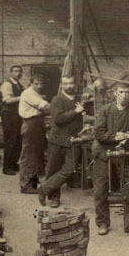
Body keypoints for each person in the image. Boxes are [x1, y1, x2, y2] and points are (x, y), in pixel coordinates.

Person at [91, 82, 129, 236]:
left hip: (124, 154)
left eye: (127, 92)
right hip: (103, 153)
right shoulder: (105, 110)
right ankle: (102, 223)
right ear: (115, 93)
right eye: (120, 92)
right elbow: (99, 133)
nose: (123, 95)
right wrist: (116, 137)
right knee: (100, 190)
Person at [38, 75, 85, 208]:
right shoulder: (57, 100)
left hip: (73, 140)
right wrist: (76, 111)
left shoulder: (78, 100)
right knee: (53, 169)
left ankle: (44, 188)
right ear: (61, 85)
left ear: (75, 84)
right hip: (57, 140)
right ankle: (54, 198)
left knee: (70, 169)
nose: (69, 86)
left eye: (71, 83)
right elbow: (58, 119)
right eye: (66, 84)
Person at [17, 74, 49, 193]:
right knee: (28, 155)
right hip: (30, 124)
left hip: (36, 124)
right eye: (36, 83)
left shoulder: (37, 93)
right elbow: (45, 107)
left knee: (36, 155)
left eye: (41, 83)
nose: (39, 86)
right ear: (31, 83)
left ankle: (33, 183)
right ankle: (25, 185)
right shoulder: (28, 93)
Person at [0, 64, 24, 175]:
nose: (18, 73)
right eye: (15, 71)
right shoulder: (7, 84)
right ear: (11, 72)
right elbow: (7, 100)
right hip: (9, 115)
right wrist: (24, 97)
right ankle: (6, 167)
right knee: (10, 141)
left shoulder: (19, 85)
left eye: (19, 71)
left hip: (17, 115)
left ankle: (13, 163)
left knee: (18, 141)